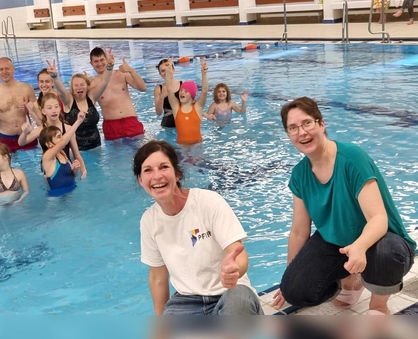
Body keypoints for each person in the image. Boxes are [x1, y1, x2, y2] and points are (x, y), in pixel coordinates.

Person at [272, 97, 415, 315]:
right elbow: (299, 231)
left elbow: (378, 219)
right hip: (336, 243)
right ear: (289, 135)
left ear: (321, 124)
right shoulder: (299, 175)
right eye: (293, 128)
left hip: (382, 239)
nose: (302, 132)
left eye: (307, 123)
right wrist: (289, 275)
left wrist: (359, 247)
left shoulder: (351, 158)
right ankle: (350, 280)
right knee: (294, 290)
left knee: (386, 253)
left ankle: (378, 304)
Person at [134, 140, 264, 315]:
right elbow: (158, 277)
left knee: (238, 303)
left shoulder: (209, 202)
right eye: (148, 170)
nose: (157, 176)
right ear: (140, 180)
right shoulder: (149, 221)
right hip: (186, 302)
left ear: (177, 173)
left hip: (229, 292)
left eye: (164, 167)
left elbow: (238, 254)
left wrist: (234, 270)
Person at [46, 50, 114, 151]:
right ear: (72, 88)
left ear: (87, 86)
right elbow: (61, 90)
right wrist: (55, 77)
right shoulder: (68, 100)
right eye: (76, 85)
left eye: (82, 85)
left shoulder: (91, 97)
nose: (79, 88)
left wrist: (110, 66)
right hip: (76, 150)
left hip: (96, 147)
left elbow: (104, 82)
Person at [18, 93, 87, 179]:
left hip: (66, 168)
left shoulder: (68, 128)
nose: (54, 110)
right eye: (49, 108)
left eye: (56, 106)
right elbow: (21, 143)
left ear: (60, 108)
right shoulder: (41, 129)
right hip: (49, 171)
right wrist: (25, 133)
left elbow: (76, 154)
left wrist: (83, 170)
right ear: (43, 111)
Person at [87, 47, 147, 140]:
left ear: (106, 59)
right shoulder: (92, 84)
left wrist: (131, 71)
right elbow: (89, 109)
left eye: (102, 60)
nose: (99, 64)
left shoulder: (122, 74)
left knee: (142, 152)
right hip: (111, 126)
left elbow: (142, 88)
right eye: (96, 61)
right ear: (91, 63)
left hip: (130, 121)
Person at [0, 57, 38, 152]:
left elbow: (38, 116)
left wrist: (29, 109)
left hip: (27, 135)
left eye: (7, 68)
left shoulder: (26, 88)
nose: (4, 72)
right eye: (1, 69)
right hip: (6, 138)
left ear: (13, 69)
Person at [39, 111, 86, 196]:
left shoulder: (63, 154)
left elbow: (73, 175)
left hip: (72, 189)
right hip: (56, 196)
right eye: (58, 137)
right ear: (49, 144)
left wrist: (75, 169)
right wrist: (78, 121)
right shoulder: (48, 157)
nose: (62, 138)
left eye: (61, 135)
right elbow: (64, 142)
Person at [164, 57, 209, 145]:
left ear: (192, 95)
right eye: (181, 90)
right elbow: (169, 89)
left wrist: (204, 74)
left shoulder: (197, 107)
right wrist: (168, 71)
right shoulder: (176, 108)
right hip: (181, 147)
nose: (182, 92)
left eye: (186, 91)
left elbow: (204, 91)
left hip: (196, 146)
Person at [153, 58, 182, 128]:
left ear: (173, 70)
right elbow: (158, 113)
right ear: (160, 74)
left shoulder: (183, 85)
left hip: (183, 121)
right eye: (163, 71)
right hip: (168, 124)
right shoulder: (158, 89)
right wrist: (162, 97)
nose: (166, 72)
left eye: (168, 69)